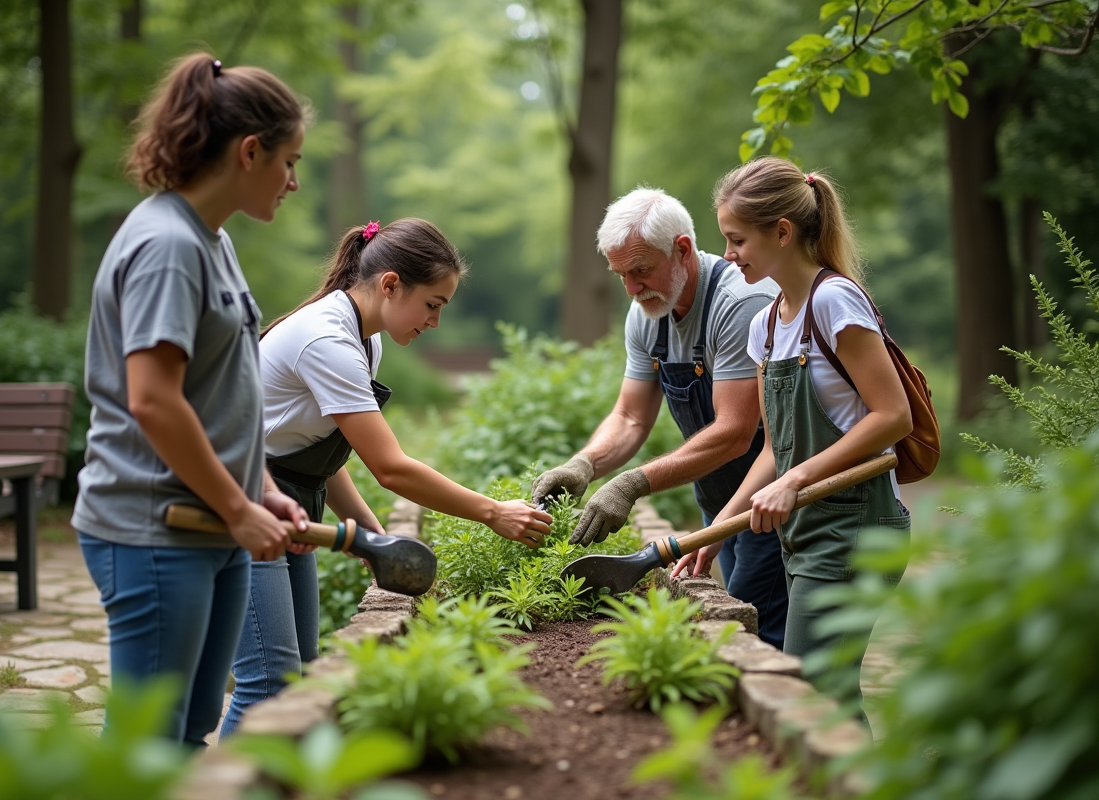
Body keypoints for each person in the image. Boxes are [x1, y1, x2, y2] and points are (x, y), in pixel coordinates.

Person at [219, 217, 552, 736]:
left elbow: (324, 455)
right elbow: (391, 468)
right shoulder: (326, 339)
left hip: (291, 502)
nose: (435, 322)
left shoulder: (364, 337)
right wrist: (492, 511)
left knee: (298, 675)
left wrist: (371, 538)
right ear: (391, 284)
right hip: (244, 500)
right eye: (433, 305)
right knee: (268, 685)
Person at [71, 53, 314, 747]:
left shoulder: (214, 240)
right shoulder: (166, 245)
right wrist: (239, 507)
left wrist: (258, 487)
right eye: (289, 162)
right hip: (154, 528)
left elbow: (219, 391)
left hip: (213, 525)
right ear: (248, 152)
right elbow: (153, 401)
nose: (293, 181)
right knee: (149, 744)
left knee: (192, 729)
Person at [672, 156, 912, 710]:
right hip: (806, 533)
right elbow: (778, 449)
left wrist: (796, 478)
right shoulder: (768, 322)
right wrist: (722, 531)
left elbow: (892, 416)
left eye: (737, 240)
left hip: (857, 529)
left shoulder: (835, 301)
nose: (728, 256)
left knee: (815, 695)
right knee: (820, 695)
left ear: (782, 232)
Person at [531, 187, 789, 650]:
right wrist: (584, 465)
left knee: (763, 642)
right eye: (621, 275)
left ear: (682, 249)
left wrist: (632, 484)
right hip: (719, 500)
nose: (631, 288)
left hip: (771, 502)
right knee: (748, 629)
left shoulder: (739, 302)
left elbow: (734, 432)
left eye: (641, 270)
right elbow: (630, 416)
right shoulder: (647, 311)